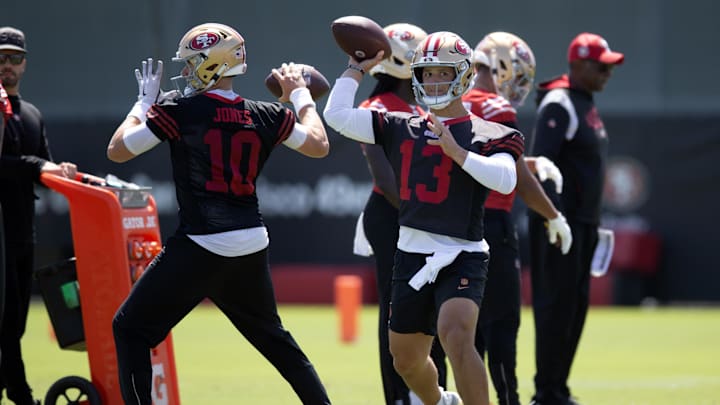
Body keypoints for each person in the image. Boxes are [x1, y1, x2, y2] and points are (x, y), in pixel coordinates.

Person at [106, 23, 331, 404]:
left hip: (201, 243)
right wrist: (301, 96)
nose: (187, 71)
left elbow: (118, 150)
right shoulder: (265, 114)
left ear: (212, 63)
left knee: (130, 329)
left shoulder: (180, 110)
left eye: (193, 63)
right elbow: (319, 145)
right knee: (276, 342)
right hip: (250, 241)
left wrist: (142, 104)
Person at [325, 31, 524, 405]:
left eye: (442, 73)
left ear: (462, 76)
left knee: (457, 335)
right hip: (412, 255)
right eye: (427, 73)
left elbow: (506, 178)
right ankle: (439, 401)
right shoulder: (402, 125)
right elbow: (335, 116)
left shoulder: (489, 132)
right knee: (406, 359)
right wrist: (355, 69)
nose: (433, 81)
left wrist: (458, 153)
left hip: (463, 253)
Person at [461, 32, 572, 405]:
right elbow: (516, 178)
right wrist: (553, 214)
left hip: (451, 224)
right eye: (518, 75)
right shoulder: (496, 106)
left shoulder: (452, 101)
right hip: (491, 222)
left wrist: (530, 160)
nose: (518, 85)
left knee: (462, 329)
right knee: (502, 325)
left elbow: (485, 152)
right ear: (503, 66)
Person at [352, 22, 448, 405]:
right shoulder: (375, 108)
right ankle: (399, 396)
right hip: (396, 217)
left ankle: (433, 392)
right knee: (398, 312)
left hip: (423, 218)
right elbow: (387, 179)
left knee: (430, 309)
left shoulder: (423, 107)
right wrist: (424, 216)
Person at [527, 32, 624, 405]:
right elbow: (542, 168)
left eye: (609, 67)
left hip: (583, 223)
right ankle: (545, 392)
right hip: (559, 224)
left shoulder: (585, 102)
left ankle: (559, 389)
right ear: (578, 64)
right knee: (555, 306)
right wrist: (553, 218)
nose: (607, 74)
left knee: (575, 307)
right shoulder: (559, 102)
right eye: (601, 66)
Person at [0, 26, 77, 405]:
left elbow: (42, 171)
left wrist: (59, 172)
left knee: (15, 321)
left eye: (14, 59)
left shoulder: (30, 113)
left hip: (21, 229)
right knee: (5, 319)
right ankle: (20, 392)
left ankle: (13, 388)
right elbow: (22, 165)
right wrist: (37, 166)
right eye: (1, 58)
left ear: (25, 64)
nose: (7, 66)